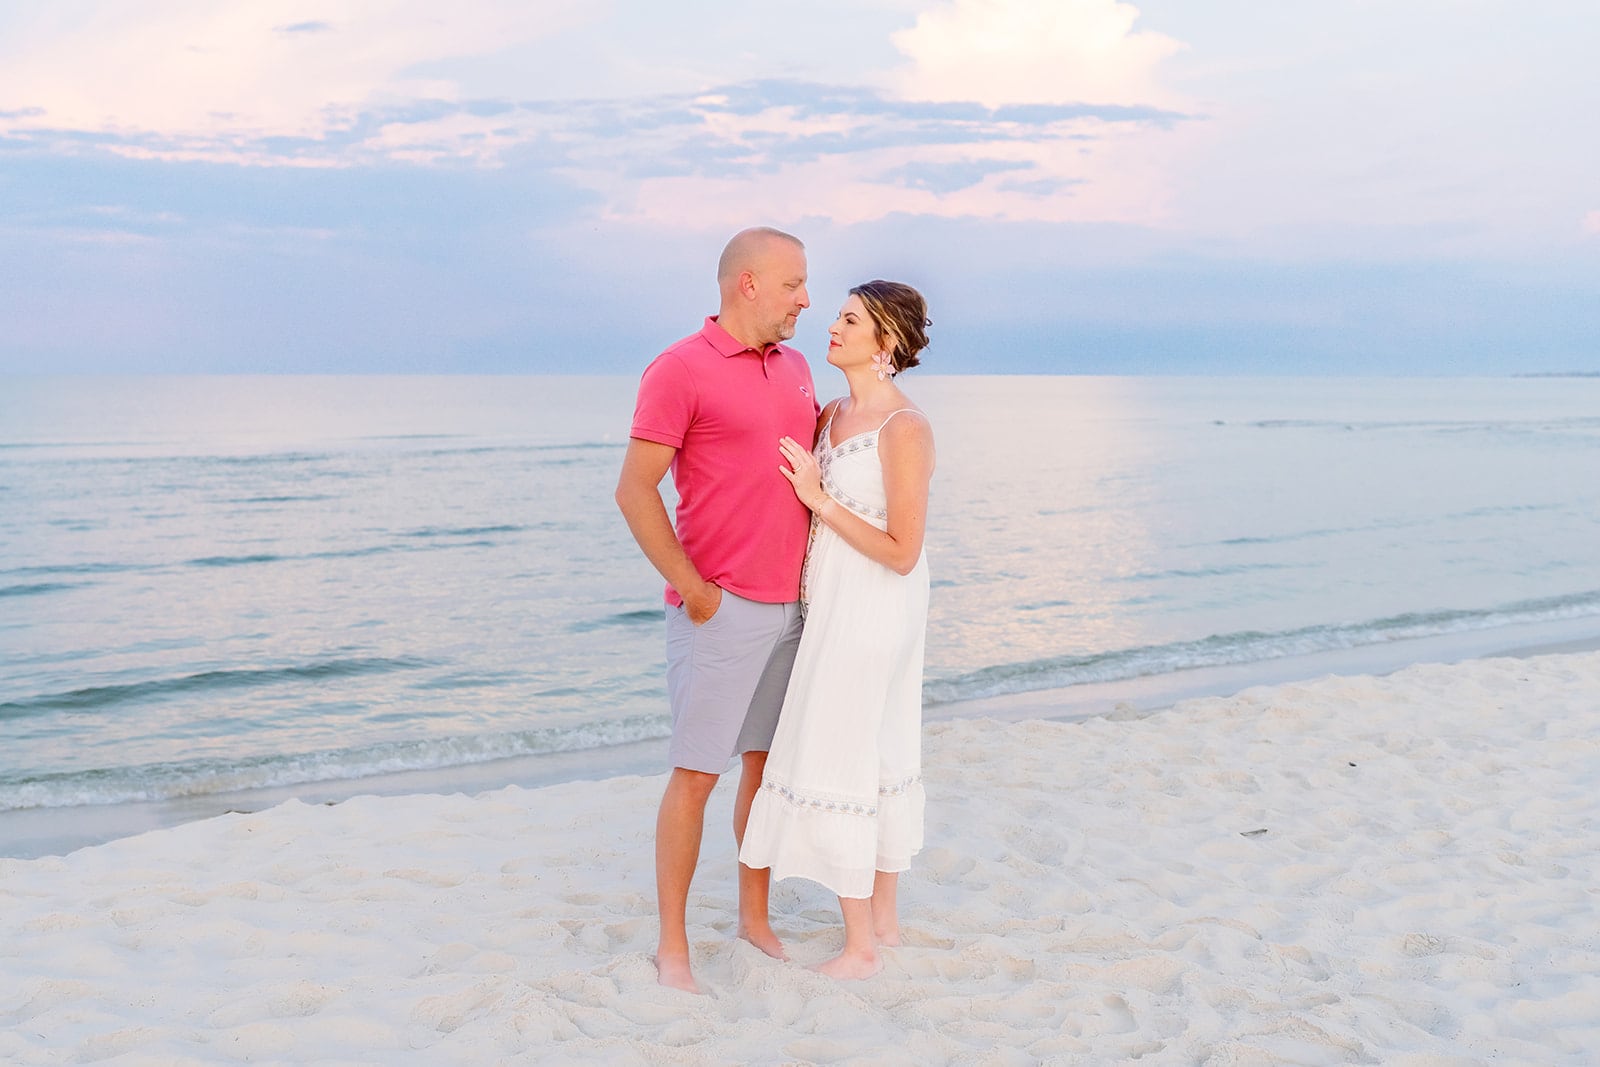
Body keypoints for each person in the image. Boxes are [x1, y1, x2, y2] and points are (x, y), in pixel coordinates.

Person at [614, 226, 819, 994]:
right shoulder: (678, 369)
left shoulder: (796, 367)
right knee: (696, 774)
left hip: (793, 610)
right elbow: (635, 490)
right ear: (749, 284)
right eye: (795, 284)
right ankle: (673, 945)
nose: (807, 298)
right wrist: (695, 588)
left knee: (764, 769)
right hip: (720, 610)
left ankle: (753, 918)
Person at [739, 279, 935, 980]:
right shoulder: (829, 415)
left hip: (877, 607)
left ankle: (859, 947)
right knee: (872, 750)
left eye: (850, 320)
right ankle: (882, 922)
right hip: (832, 602)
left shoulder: (904, 428)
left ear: (884, 342)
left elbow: (902, 549)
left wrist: (820, 498)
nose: (833, 326)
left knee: (847, 752)